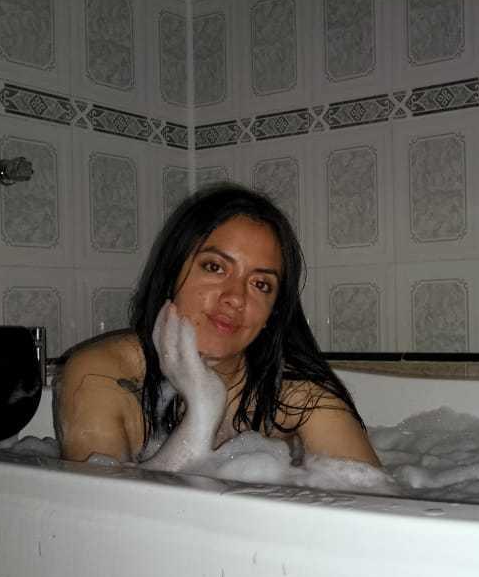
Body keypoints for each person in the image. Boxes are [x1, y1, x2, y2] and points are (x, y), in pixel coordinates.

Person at [55, 184, 379, 470]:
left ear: (273, 312)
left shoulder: (299, 398)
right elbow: (107, 515)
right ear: (172, 272)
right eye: (215, 267)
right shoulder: (99, 374)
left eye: (261, 284)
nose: (235, 297)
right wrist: (201, 416)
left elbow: (380, 508)